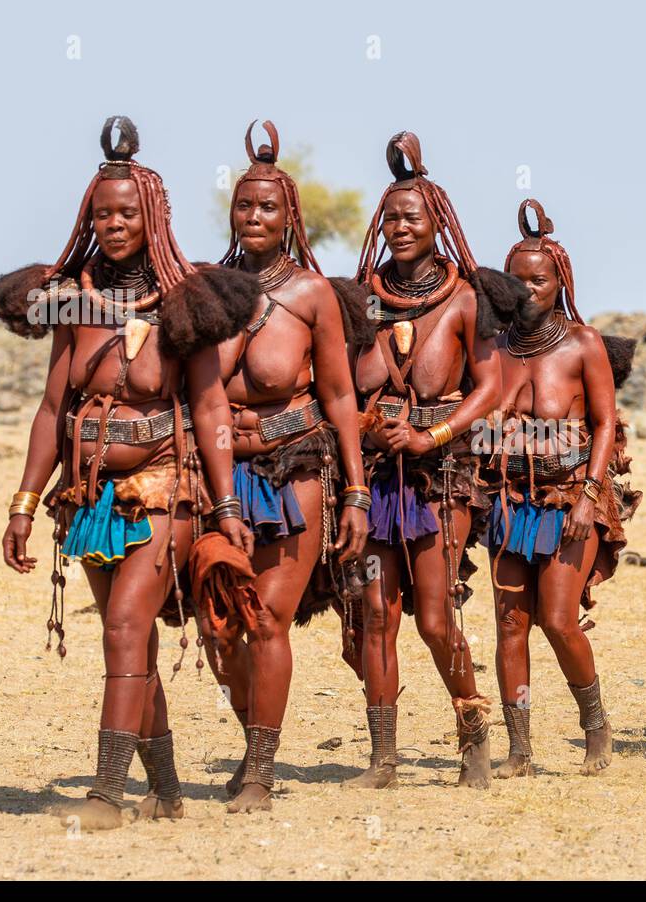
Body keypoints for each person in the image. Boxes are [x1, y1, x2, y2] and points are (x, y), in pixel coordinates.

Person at [0, 117, 255, 829]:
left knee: (127, 624)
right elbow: (53, 408)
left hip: (164, 489)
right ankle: (164, 789)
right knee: (126, 634)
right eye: (101, 213)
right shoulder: (74, 299)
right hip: (88, 499)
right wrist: (22, 503)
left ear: (153, 217)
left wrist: (227, 509)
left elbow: (209, 409)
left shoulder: (187, 302)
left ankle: (106, 792)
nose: (112, 224)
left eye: (126, 213)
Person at [345, 132, 525, 789]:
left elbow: (491, 389)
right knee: (375, 610)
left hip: (439, 474)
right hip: (377, 471)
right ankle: (383, 758)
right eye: (389, 217)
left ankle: (472, 734)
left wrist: (432, 434)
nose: (398, 228)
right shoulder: (362, 297)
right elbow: (345, 383)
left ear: (437, 223)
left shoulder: (465, 299)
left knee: (432, 615)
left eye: (411, 217)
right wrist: (372, 422)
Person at [205, 121, 369, 811]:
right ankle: (254, 737)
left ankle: (259, 772)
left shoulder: (312, 295)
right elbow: (197, 390)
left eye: (267, 206)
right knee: (221, 626)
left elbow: (338, 394)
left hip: (296, 465)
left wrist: (357, 492)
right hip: (221, 471)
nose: (254, 216)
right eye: (244, 205)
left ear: (290, 216)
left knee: (268, 617)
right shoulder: (208, 289)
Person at [487, 199, 641, 777]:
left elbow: (606, 424)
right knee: (509, 624)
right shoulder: (496, 348)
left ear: (560, 283)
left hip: (570, 499)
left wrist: (588, 496)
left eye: (539, 280)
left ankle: (596, 727)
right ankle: (519, 749)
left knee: (557, 618)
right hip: (511, 502)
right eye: (517, 281)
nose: (527, 290)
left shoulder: (582, 344)